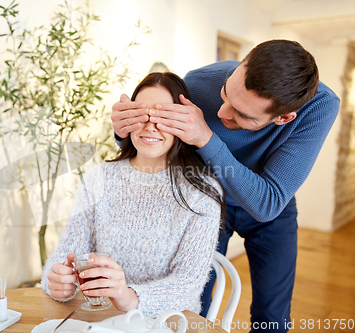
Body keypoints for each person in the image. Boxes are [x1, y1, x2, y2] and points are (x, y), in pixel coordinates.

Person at [111, 40, 340, 332]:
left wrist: (206, 138)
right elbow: (155, 142)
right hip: (208, 200)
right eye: (225, 94)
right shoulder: (199, 82)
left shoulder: (319, 107)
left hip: (269, 201)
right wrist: (123, 132)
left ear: (283, 118)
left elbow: (266, 204)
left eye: (242, 115)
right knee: (191, 304)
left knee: (272, 317)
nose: (221, 112)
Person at [41, 72, 225, 317]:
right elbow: (66, 256)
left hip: (168, 323)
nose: (150, 125)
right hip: (100, 320)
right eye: (141, 114)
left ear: (182, 123)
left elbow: (188, 285)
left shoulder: (202, 192)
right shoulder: (98, 179)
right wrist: (58, 281)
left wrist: (130, 297)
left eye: (164, 116)